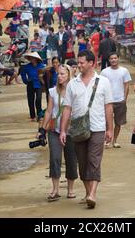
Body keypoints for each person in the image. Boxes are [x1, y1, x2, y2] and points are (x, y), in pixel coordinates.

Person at [60, 50, 113, 209]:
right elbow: (67, 108)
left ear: (92, 63)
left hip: (97, 127)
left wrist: (110, 129)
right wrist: (63, 130)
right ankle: (88, 192)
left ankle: (92, 194)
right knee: (82, 163)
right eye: (78, 62)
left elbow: (108, 107)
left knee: (93, 160)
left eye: (82, 62)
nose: (79, 65)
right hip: (77, 130)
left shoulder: (103, 82)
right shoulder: (72, 84)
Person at [40, 64, 78, 201]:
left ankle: (71, 189)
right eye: (59, 74)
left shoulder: (74, 91)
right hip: (54, 130)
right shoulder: (52, 91)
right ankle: (55, 189)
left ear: (69, 75)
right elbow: (49, 111)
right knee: (55, 158)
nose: (60, 76)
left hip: (71, 131)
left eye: (63, 74)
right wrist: (42, 128)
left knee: (71, 160)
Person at [101, 52, 131, 148]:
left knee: (119, 122)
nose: (113, 60)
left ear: (118, 59)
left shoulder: (124, 71)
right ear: (109, 60)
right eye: (111, 58)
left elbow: (126, 85)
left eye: (115, 58)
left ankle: (115, 140)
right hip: (107, 101)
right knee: (106, 121)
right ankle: (107, 140)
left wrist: (124, 99)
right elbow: (101, 86)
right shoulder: (104, 72)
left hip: (120, 100)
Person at [21, 52, 45, 121]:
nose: (32, 59)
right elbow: (23, 73)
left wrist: (44, 83)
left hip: (38, 84)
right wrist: (25, 81)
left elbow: (45, 74)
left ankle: (39, 114)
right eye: (31, 58)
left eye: (33, 58)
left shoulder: (41, 66)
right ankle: (33, 116)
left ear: (36, 59)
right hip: (30, 84)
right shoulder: (27, 66)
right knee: (30, 100)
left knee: (38, 99)